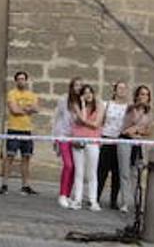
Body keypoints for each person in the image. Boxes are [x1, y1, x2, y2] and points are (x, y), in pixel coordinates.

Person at [0, 70, 38, 195]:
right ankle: (4, 184)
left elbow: (36, 108)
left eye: (23, 79)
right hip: (14, 128)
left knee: (26, 157)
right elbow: (14, 110)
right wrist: (27, 109)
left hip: (27, 130)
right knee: (9, 156)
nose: (21, 81)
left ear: (26, 80)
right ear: (16, 81)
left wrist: (24, 109)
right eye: (19, 79)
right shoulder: (12, 94)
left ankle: (25, 185)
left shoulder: (32, 95)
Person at [119, 85, 154, 213]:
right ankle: (124, 202)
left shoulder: (149, 112)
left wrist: (138, 131)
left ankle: (137, 202)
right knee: (124, 172)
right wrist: (136, 130)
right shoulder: (131, 108)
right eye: (141, 94)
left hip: (138, 143)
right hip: (126, 141)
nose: (143, 97)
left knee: (136, 173)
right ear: (137, 95)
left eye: (146, 94)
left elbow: (149, 130)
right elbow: (125, 128)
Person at [69, 83, 104, 211]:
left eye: (90, 92)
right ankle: (77, 199)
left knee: (92, 172)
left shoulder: (99, 105)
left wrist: (85, 122)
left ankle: (92, 200)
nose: (88, 95)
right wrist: (83, 105)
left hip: (93, 141)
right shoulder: (76, 106)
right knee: (79, 171)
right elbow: (81, 119)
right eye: (85, 93)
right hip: (79, 140)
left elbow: (96, 124)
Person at [97, 81, 130, 209]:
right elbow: (101, 122)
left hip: (120, 140)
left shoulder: (128, 107)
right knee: (102, 171)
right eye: (119, 88)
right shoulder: (107, 104)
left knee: (117, 172)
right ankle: (96, 197)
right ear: (114, 90)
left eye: (124, 88)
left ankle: (113, 200)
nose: (122, 91)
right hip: (106, 139)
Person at [52, 77, 82, 208]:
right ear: (71, 87)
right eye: (76, 85)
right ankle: (62, 194)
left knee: (75, 167)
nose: (78, 88)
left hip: (76, 137)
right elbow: (57, 118)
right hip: (63, 135)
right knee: (68, 165)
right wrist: (54, 138)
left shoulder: (82, 102)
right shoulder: (64, 100)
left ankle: (68, 195)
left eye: (80, 86)